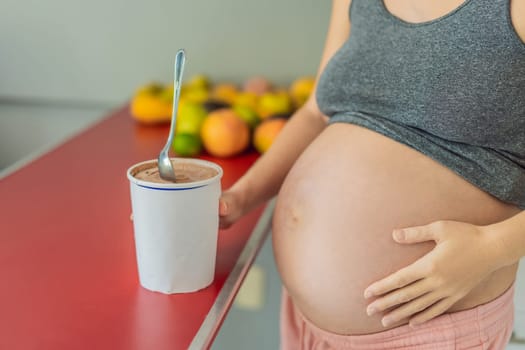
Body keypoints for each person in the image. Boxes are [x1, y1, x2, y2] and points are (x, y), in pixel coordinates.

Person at [219, 0, 525, 348]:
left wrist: (491, 249)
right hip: (308, 326)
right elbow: (316, 113)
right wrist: (240, 197)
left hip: (427, 328)